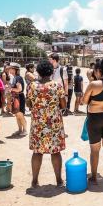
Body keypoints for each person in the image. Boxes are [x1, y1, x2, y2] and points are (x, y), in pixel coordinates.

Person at [26, 60, 67, 188]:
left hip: (38, 124)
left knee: (37, 152)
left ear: (38, 72)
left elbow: (28, 104)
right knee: (55, 152)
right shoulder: (57, 86)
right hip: (54, 124)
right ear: (52, 71)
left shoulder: (32, 86)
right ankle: (59, 180)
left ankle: (34, 181)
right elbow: (64, 105)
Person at [8, 63, 27, 135]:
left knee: (20, 114)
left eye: (11, 68)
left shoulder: (18, 77)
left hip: (19, 97)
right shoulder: (15, 77)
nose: (9, 69)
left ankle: (24, 130)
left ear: (15, 70)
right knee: (17, 115)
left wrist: (10, 88)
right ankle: (20, 130)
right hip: (16, 97)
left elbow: (19, 89)